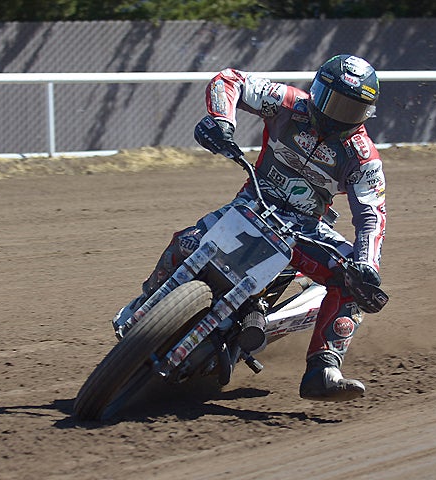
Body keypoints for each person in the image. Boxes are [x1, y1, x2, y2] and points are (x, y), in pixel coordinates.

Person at [114, 54, 387, 402]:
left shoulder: (363, 157)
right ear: (316, 90)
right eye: (333, 102)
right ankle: (146, 301)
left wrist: (366, 265)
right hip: (250, 205)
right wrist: (221, 122)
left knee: (354, 282)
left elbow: (372, 215)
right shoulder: (288, 102)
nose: (337, 116)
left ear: (365, 114)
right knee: (186, 242)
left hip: (304, 229)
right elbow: (231, 80)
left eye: (350, 110)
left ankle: (324, 368)